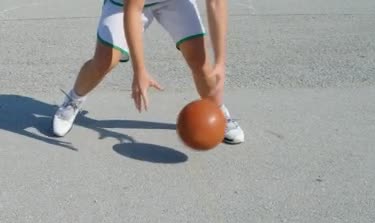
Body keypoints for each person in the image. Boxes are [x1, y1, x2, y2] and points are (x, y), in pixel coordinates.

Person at [51, 0, 244, 144]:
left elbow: (217, 2)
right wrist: (140, 70)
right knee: (104, 62)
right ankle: (73, 99)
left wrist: (220, 61)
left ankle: (216, 109)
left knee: (200, 62)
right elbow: (133, 10)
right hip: (124, 4)